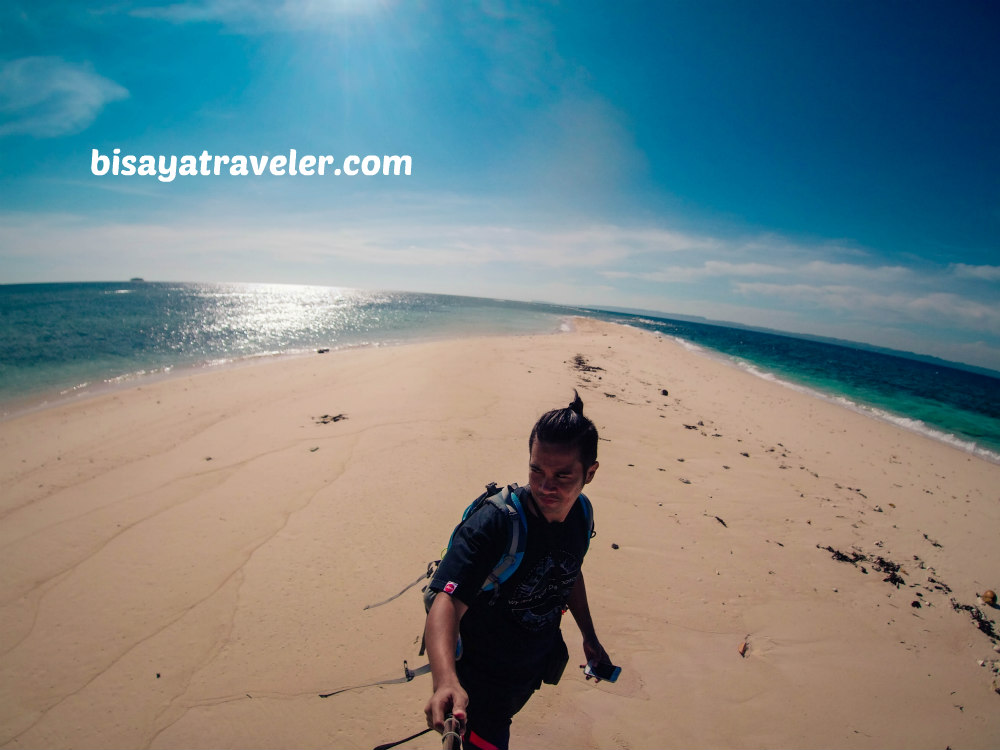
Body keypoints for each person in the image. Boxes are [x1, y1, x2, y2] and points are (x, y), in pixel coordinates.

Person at [423, 391, 615, 750]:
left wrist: (589, 635)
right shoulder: (495, 525)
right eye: (536, 469)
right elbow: (446, 601)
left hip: (528, 670)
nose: (545, 486)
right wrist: (446, 681)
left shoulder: (581, 514)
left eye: (562, 475)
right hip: (480, 685)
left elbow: (569, 571)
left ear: (590, 473)